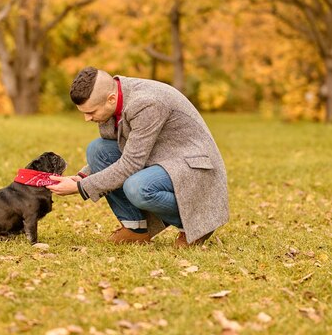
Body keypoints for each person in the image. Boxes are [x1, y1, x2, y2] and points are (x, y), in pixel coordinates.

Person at [47, 67, 229, 246]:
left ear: (111, 99)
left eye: (91, 112)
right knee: (98, 149)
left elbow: (130, 164)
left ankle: (198, 222)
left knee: (138, 188)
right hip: (160, 157)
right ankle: (136, 229)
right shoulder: (113, 99)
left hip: (192, 164)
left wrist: (81, 187)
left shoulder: (146, 103)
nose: (88, 118)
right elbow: (120, 149)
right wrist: (82, 177)